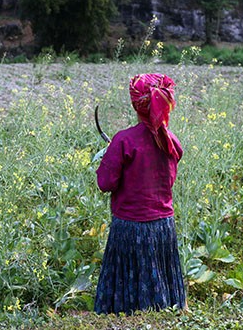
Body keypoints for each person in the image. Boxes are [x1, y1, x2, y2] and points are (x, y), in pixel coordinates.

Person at [94, 73, 186, 315]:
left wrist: (106, 159)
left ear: (136, 104)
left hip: (130, 229)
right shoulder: (170, 141)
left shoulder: (124, 141)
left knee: (125, 308)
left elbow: (105, 183)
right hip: (163, 227)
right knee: (163, 306)